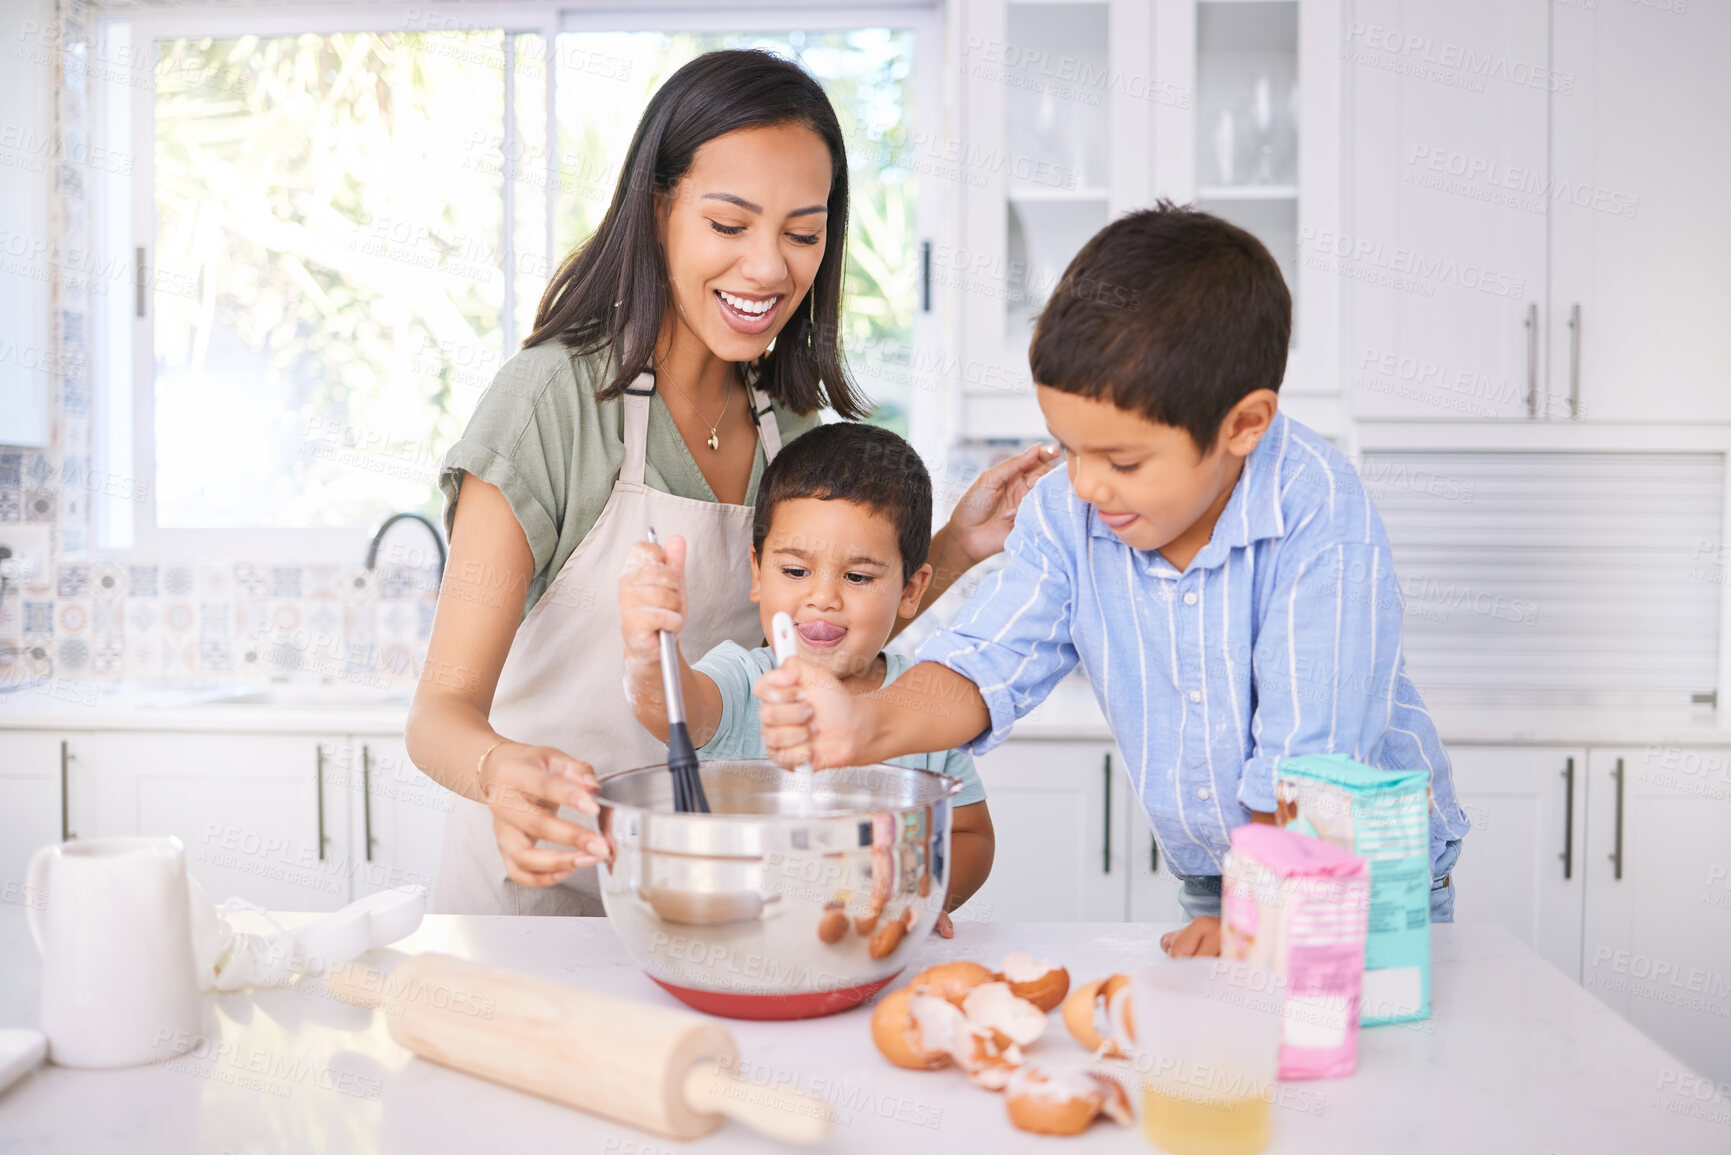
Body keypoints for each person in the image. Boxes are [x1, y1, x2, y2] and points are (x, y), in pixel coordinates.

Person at [405, 49, 1052, 915]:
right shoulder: (551, 402)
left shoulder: (791, 428)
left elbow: (823, 610)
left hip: (708, 900)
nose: (768, 269)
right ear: (660, 208)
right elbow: (438, 714)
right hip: (538, 894)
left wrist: (956, 549)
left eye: (801, 233)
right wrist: (499, 770)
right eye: (729, 224)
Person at [754, 203, 1471, 954]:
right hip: (1219, 875)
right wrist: (863, 723)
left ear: (1243, 425)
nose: (1087, 485)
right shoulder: (1070, 511)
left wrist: (1252, 916)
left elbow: (1310, 761)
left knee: (1347, 1065)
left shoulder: (1315, 508)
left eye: (1123, 461)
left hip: (1353, 866)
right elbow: (984, 661)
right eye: (1069, 448)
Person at [619, 422, 994, 936]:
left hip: (868, 954)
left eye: (858, 577)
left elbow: (972, 835)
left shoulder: (924, 703)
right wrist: (647, 650)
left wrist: (920, 899)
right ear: (757, 572)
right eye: (795, 571)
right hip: (738, 939)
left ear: (911, 590)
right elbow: (673, 710)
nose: (823, 598)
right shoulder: (743, 676)